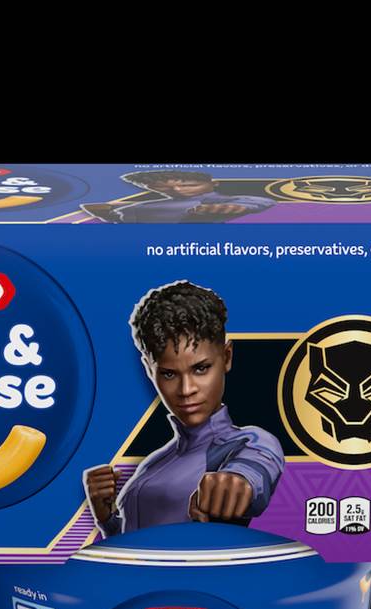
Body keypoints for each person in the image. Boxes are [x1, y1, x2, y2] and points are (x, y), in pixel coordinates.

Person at [85, 281, 284, 537]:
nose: (186, 389)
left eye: (200, 368)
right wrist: (107, 519)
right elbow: (135, 547)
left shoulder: (248, 443)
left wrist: (237, 482)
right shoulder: (152, 464)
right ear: (149, 370)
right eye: (169, 374)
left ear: (227, 356)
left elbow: (257, 465)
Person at [82, 169, 275, 224]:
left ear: (214, 183)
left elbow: (256, 202)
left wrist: (231, 208)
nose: (179, 190)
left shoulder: (216, 200)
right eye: (164, 188)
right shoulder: (142, 207)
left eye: (189, 185)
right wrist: (111, 213)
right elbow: (109, 212)